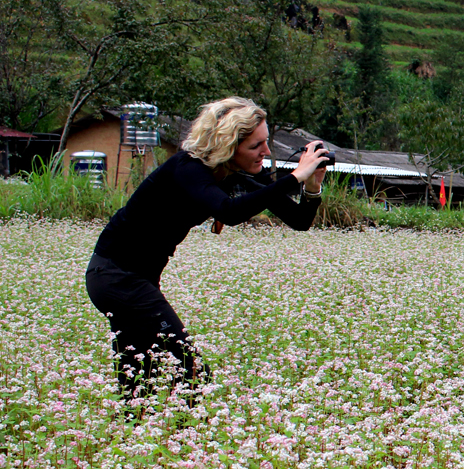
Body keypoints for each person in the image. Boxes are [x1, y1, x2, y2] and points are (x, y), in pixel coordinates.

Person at [85, 97, 330, 399]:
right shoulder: (188, 168)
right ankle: (190, 440)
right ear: (228, 144)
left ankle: (134, 435)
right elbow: (229, 211)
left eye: (266, 143)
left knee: (138, 376)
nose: (266, 152)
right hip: (116, 277)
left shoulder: (240, 170)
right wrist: (293, 177)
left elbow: (298, 219)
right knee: (191, 372)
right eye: (256, 146)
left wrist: (311, 185)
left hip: (134, 279)